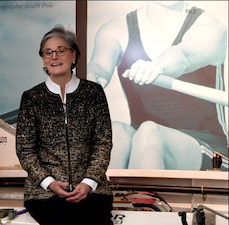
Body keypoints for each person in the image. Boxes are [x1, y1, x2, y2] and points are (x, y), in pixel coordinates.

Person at [87, 1, 228, 170]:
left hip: (214, 155)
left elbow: (183, 57)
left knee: (150, 133)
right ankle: (109, 196)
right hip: (144, 146)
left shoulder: (210, 26)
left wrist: (158, 66)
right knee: (116, 133)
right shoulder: (115, 30)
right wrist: (91, 76)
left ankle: (139, 195)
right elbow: (99, 65)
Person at [16, 25, 113, 225]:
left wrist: (88, 182)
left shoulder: (93, 93)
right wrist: (49, 183)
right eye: (48, 52)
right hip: (44, 194)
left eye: (61, 50)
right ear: (43, 59)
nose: (54, 56)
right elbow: (25, 150)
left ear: (74, 55)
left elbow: (103, 143)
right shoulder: (32, 98)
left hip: (92, 190)